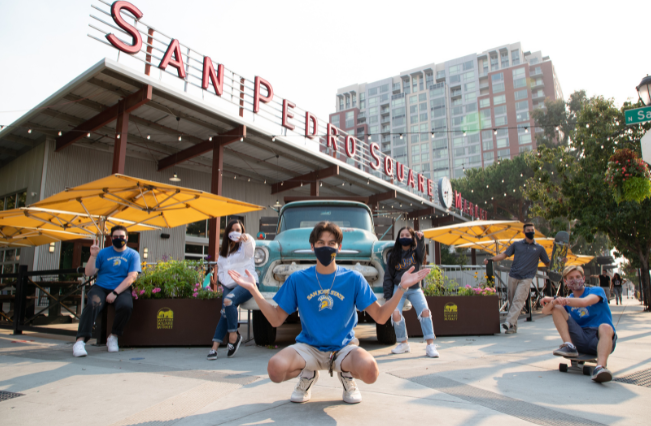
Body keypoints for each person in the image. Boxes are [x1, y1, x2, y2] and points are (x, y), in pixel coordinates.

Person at [228, 221, 429, 404]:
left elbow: (380, 316)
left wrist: (401, 288)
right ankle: (308, 375)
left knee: (371, 372)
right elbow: (275, 319)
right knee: (275, 369)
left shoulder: (354, 279)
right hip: (308, 348)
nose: (327, 247)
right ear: (312, 246)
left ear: (339, 247)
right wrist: (254, 290)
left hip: (344, 348)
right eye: (321, 242)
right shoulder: (298, 279)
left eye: (332, 243)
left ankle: (346, 373)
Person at [541, 265, 617, 383]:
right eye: (571, 278)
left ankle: (600, 368)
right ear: (565, 282)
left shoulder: (596, 291)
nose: (575, 280)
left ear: (583, 278)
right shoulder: (568, 299)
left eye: (577, 277)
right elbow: (545, 311)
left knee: (606, 327)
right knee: (556, 307)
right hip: (580, 337)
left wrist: (555, 298)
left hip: (600, 338)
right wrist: (554, 301)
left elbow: (584, 302)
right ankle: (569, 346)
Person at [73, 225, 140, 357]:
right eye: (116, 237)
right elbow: (89, 272)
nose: (119, 239)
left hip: (121, 288)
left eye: (122, 237)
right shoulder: (103, 253)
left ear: (127, 238)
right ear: (111, 238)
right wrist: (93, 256)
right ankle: (80, 341)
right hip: (101, 287)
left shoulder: (133, 254)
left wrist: (115, 293)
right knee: (93, 304)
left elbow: (132, 277)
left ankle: (113, 336)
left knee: (126, 306)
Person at [484, 223, 550, 334]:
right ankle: (512, 327)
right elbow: (504, 255)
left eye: (532, 230)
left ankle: (508, 322)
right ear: (524, 232)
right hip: (513, 275)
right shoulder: (516, 245)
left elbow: (547, 263)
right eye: (528, 230)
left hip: (527, 277)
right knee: (512, 300)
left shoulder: (539, 248)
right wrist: (491, 259)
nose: (531, 231)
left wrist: (559, 262)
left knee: (519, 300)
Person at [383, 227, 438, 357]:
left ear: (412, 237)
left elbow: (421, 250)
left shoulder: (416, 253)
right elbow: (388, 276)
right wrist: (388, 296)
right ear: (398, 237)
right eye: (402, 234)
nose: (404, 236)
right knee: (395, 314)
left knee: (425, 311)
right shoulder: (393, 255)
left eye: (407, 235)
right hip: (399, 287)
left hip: (415, 288)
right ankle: (403, 343)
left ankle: (430, 345)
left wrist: (420, 239)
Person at [207, 220, 256, 360]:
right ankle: (214, 348)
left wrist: (247, 238)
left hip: (247, 283)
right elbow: (221, 273)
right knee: (224, 312)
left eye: (238, 230)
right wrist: (227, 282)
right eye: (233, 229)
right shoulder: (223, 254)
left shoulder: (245, 247)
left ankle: (233, 335)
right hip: (229, 285)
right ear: (228, 232)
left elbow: (251, 248)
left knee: (228, 301)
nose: (236, 232)